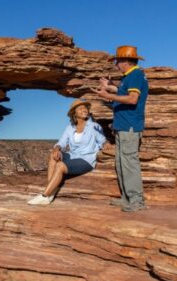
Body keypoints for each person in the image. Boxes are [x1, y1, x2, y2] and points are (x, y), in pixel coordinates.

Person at [92, 45, 148, 212]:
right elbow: (124, 91)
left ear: (125, 61)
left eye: (117, 61)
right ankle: (127, 198)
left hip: (130, 127)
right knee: (121, 163)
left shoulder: (136, 74)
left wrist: (108, 96)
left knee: (129, 163)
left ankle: (136, 201)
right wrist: (110, 86)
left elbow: (132, 99)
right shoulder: (129, 76)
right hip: (122, 126)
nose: (116, 64)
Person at [28, 99, 108, 205]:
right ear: (74, 113)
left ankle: (45, 196)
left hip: (86, 159)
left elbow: (103, 141)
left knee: (60, 166)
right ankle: (51, 189)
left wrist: (107, 145)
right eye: (80, 108)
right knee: (53, 155)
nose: (84, 110)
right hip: (73, 156)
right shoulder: (69, 128)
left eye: (85, 108)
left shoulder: (94, 126)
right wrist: (56, 149)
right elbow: (61, 142)